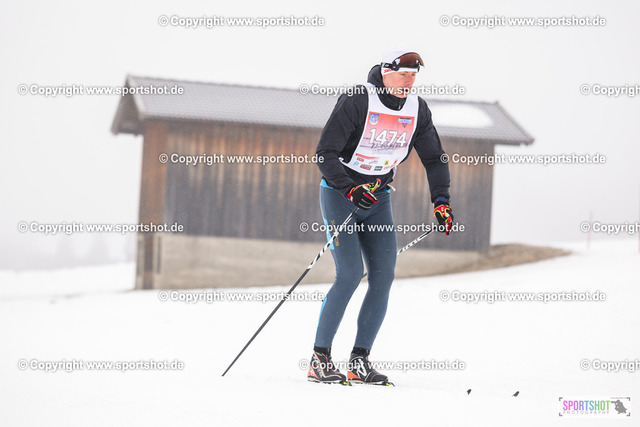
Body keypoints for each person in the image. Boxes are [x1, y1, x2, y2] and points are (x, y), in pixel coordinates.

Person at [306, 48, 454, 386]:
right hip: (340, 195)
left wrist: (441, 200)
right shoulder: (358, 100)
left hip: (378, 197)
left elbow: (434, 158)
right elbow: (325, 153)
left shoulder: (417, 109)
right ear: (386, 73)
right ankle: (319, 359)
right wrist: (349, 189)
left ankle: (359, 360)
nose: (408, 81)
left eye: (413, 75)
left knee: (384, 276)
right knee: (349, 274)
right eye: (402, 74)